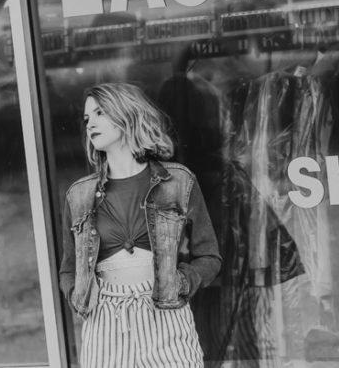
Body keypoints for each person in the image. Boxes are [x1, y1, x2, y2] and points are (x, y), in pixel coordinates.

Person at [60, 82, 221, 368]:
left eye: (100, 113)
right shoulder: (79, 195)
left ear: (126, 114)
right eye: (87, 118)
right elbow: (68, 268)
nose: (90, 124)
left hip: (165, 314)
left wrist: (182, 282)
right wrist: (78, 293)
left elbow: (208, 257)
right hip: (105, 320)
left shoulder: (179, 182)